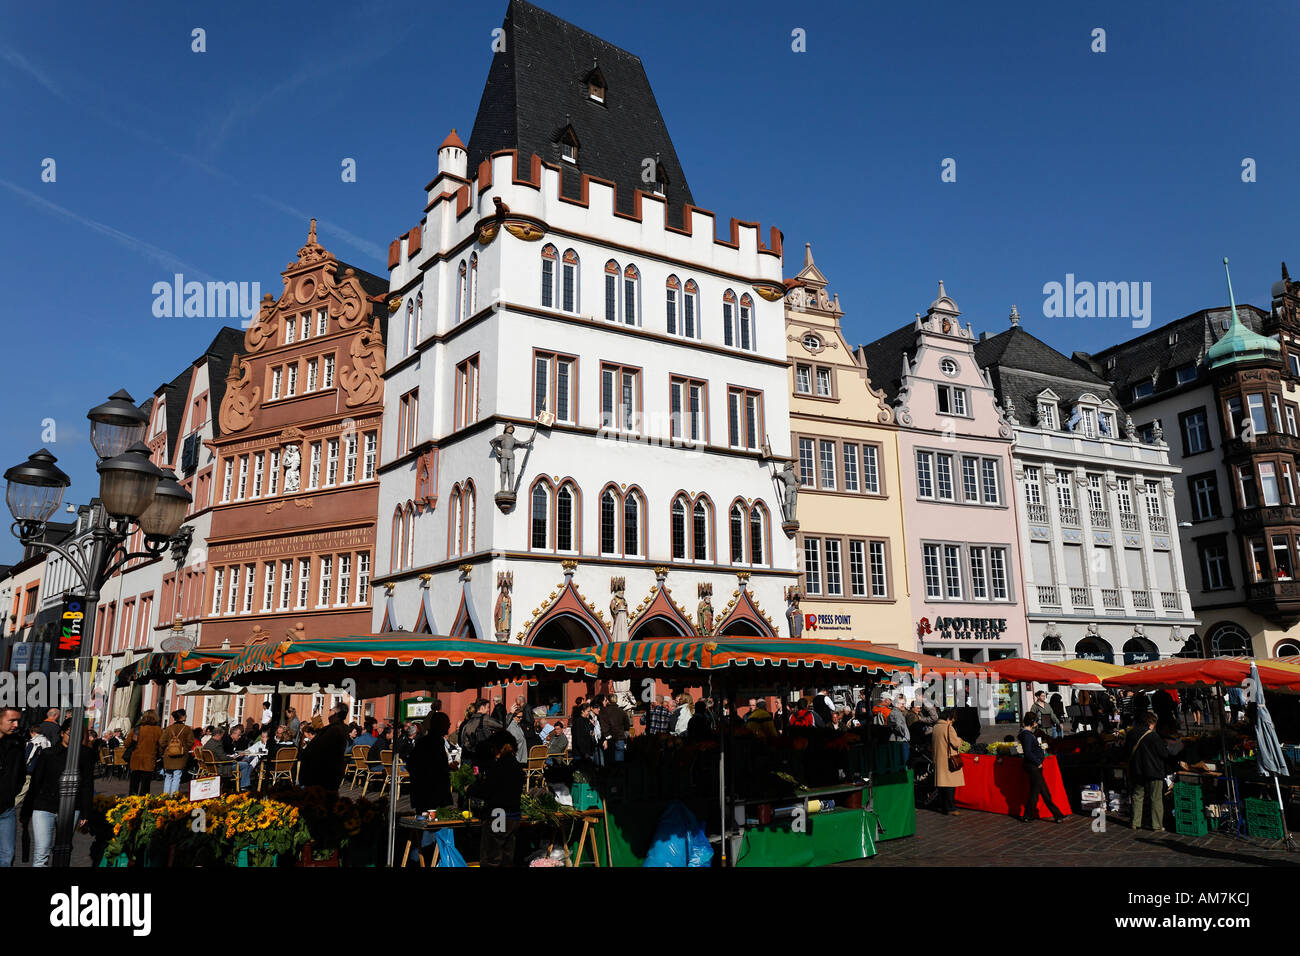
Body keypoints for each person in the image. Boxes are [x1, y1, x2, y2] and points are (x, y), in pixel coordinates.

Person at [23, 719, 95, 867]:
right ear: (62, 733)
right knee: (42, 852)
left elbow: (87, 784)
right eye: (70, 734)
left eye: (78, 736)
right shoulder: (48, 754)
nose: (74, 739)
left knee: (64, 850)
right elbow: (36, 782)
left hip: (71, 808)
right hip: (45, 806)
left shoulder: (86, 754)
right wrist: (27, 809)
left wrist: (86, 812)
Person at [470, 731, 524, 867]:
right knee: (507, 857)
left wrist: (470, 789)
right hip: (514, 816)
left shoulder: (498, 767)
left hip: (499, 814)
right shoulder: (517, 766)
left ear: (497, 748)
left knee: (492, 857)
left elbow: (486, 789)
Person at [1017, 713, 1065, 823]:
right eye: (1036, 722)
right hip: (1033, 766)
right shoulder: (1027, 735)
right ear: (1032, 722)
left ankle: (1029, 815)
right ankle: (1057, 815)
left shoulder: (1027, 734)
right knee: (1042, 792)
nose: (1037, 724)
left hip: (1034, 766)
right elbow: (1028, 752)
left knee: (1040, 792)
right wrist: (1038, 762)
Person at [1127, 712, 1170, 831]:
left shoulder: (1131, 734)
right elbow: (1164, 754)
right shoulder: (1153, 736)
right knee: (1155, 798)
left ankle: (1135, 822)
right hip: (1154, 770)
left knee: (1137, 795)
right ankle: (1157, 825)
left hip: (1137, 770)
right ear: (1150, 723)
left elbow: (1125, 751)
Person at [406, 712, 452, 813]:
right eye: (448, 723)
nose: (449, 726)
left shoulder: (432, 740)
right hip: (430, 793)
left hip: (426, 792)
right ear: (441, 725)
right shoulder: (432, 742)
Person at [299, 710, 349, 790]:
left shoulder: (335, 730)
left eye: (332, 710)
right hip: (325, 774)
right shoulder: (336, 729)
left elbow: (322, 736)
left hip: (323, 774)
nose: (329, 712)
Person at [0, 707, 25, 867]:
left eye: (18, 720)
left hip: (6, 808)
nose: (16, 724)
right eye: (11, 720)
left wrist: (10, 793)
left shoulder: (16, 744)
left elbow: (20, 774)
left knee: (7, 855)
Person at [933, 708, 964, 815]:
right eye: (952, 720)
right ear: (948, 718)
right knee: (950, 785)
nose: (952, 722)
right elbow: (956, 743)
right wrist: (960, 740)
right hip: (949, 760)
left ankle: (942, 806)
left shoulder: (936, 727)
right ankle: (951, 808)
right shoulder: (948, 728)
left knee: (942, 785)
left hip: (939, 759)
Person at [160, 710, 195, 795]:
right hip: (181, 756)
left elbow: (161, 742)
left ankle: (166, 795)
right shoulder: (187, 729)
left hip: (168, 755)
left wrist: (168, 747)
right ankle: (173, 796)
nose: (186, 717)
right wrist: (184, 748)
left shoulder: (168, 728)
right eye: (185, 715)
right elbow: (191, 742)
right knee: (177, 776)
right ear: (182, 717)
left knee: (168, 776)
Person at [127, 710, 162, 796]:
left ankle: (131, 802)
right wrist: (159, 754)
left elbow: (127, 743)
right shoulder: (158, 730)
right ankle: (143, 803)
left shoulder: (136, 729)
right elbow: (161, 745)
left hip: (136, 759)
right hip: (149, 760)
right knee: (146, 785)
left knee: (134, 784)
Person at [599, 694, 631, 763]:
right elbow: (627, 726)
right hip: (620, 738)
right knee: (619, 764)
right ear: (616, 701)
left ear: (608, 701)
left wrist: (606, 734)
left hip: (609, 739)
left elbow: (603, 725)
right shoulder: (622, 712)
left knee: (610, 762)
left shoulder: (604, 711)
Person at [887, 695, 911, 764]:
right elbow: (898, 726)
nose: (904, 705)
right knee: (903, 762)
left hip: (901, 740)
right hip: (900, 741)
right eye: (902, 704)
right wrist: (903, 734)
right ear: (896, 704)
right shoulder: (896, 713)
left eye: (904, 703)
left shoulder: (897, 713)